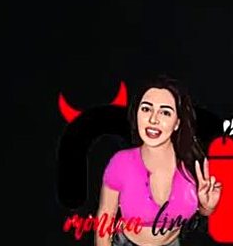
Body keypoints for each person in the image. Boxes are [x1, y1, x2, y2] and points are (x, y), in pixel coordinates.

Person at [95, 77, 222, 245]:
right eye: (146, 109)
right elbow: (105, 219)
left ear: (177, 123)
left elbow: (202, 212)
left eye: (165, 112)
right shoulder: (121, 162)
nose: (153, 119)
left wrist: (208, 207)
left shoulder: (193, 166)